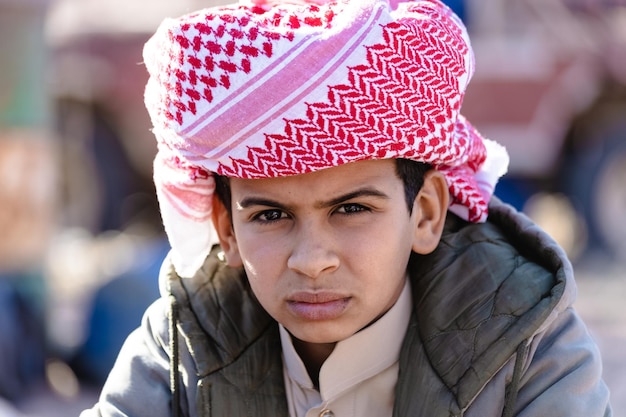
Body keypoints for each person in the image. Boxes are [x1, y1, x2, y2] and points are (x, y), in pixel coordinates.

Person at [81, 0, 612, 416]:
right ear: (228, 230)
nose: (312, 260)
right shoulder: (187, 339)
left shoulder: (526, 342)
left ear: (425, 213)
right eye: (270, 215)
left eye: (351, 210)